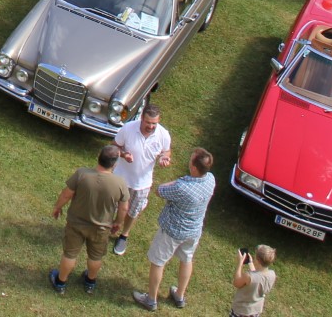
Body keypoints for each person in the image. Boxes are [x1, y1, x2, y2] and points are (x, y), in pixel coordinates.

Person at [132, 148, 216, 312]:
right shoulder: (211, 180)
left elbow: (160, 190)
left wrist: (177, 181)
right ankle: (179, 295)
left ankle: (151, 299)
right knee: (186, 259)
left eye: (191, 159)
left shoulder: (182, 187)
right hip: (194, 230)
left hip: (172, 231)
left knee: (158, 262)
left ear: (193, 167)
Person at [50, 144, 131, 296]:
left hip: (76, 224)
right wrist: (117, 223)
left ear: (98, 157)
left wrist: (57, 207)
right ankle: (90, 282)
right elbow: (124, 208)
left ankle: (61, 282)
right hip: (101, 228)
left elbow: (66, 194)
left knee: (70, 254)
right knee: (95, 256)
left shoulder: (82, 174)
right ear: (114, 163)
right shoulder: (120, 183)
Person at [109, 103, 173, 256]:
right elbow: (115, 146)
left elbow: (167, 151)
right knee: (110, 204)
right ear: (142, 119)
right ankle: (104, 227)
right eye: (148, 122)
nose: (151, 126)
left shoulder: (163, 135)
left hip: (142, 183)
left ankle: (124, 235)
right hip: (120, 178)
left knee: (133, 211)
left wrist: (165, 158)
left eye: (154, 123)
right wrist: (124, 155)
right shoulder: (129, 128)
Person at [232, 245, 279, 317]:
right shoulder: (272, 274)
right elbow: (258, 277)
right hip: (256, 311)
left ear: (258, 260)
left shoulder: (249, 276)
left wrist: (240, 263)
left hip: (242, 311)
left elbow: (236, 283)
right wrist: (251, 263)